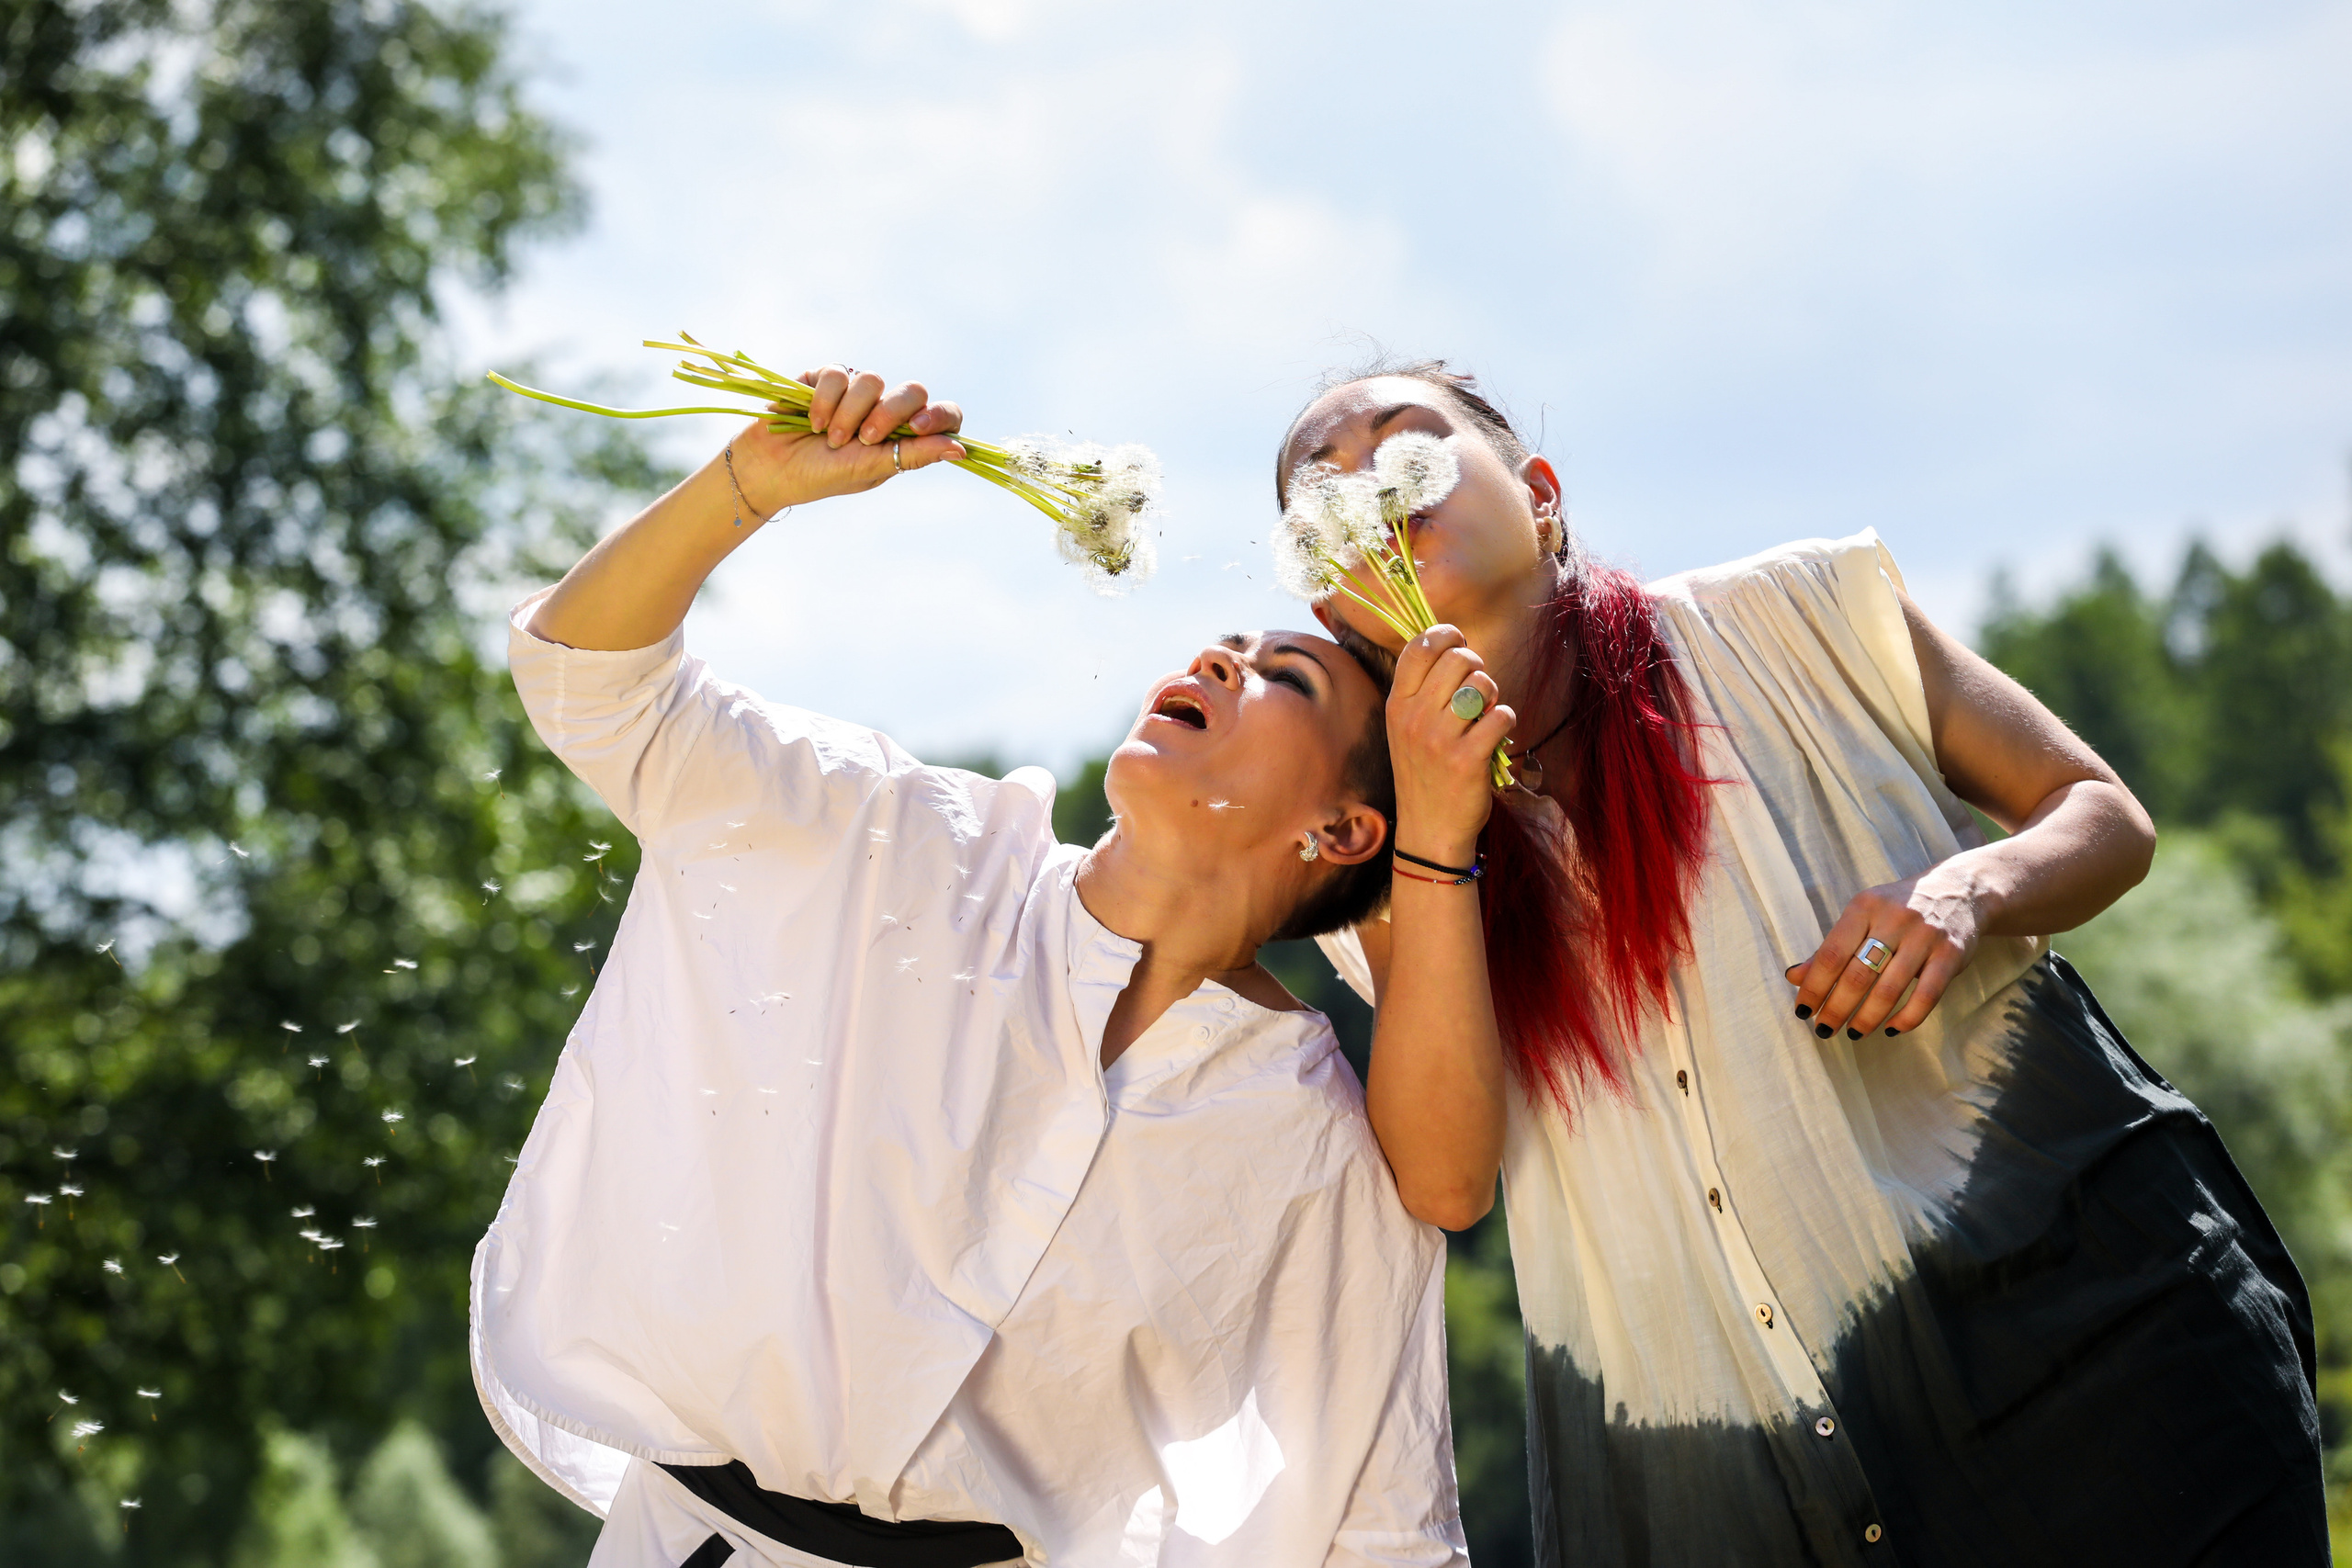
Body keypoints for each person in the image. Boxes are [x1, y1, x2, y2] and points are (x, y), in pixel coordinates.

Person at [1277, 361, 2326, 1566]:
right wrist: (1442, 841)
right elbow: (1449, 1181)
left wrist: (1960, 894)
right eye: (1324, 484)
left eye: (1405, 440)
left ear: (1544, 498)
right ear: (1332, 607)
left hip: (2102, 1388)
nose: (1364, 478)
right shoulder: (1377, 867)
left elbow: (2100, 815)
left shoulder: (1797, 614)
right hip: (1713, 1512)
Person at [471, 367, 1472, 1567]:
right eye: (1227, 643)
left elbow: (1385, 1520)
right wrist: (746, 488)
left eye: (1281, 676)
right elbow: (591, 685)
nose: (1218, 660)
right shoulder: (896, 837)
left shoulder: (1308, 1139)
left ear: (1345, 832)